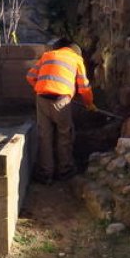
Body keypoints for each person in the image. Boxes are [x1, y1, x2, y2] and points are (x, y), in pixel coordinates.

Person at [26, 37, 95, 184]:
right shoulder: (76, 59)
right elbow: (84, 87)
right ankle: (65, 171)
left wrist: (43, 88)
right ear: (76, 51)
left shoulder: (47, 55)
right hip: (61, 100)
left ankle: (46, 174)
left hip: (42, 98)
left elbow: (30, 76)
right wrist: (89, 103)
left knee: (45, 135)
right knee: (65, 134)